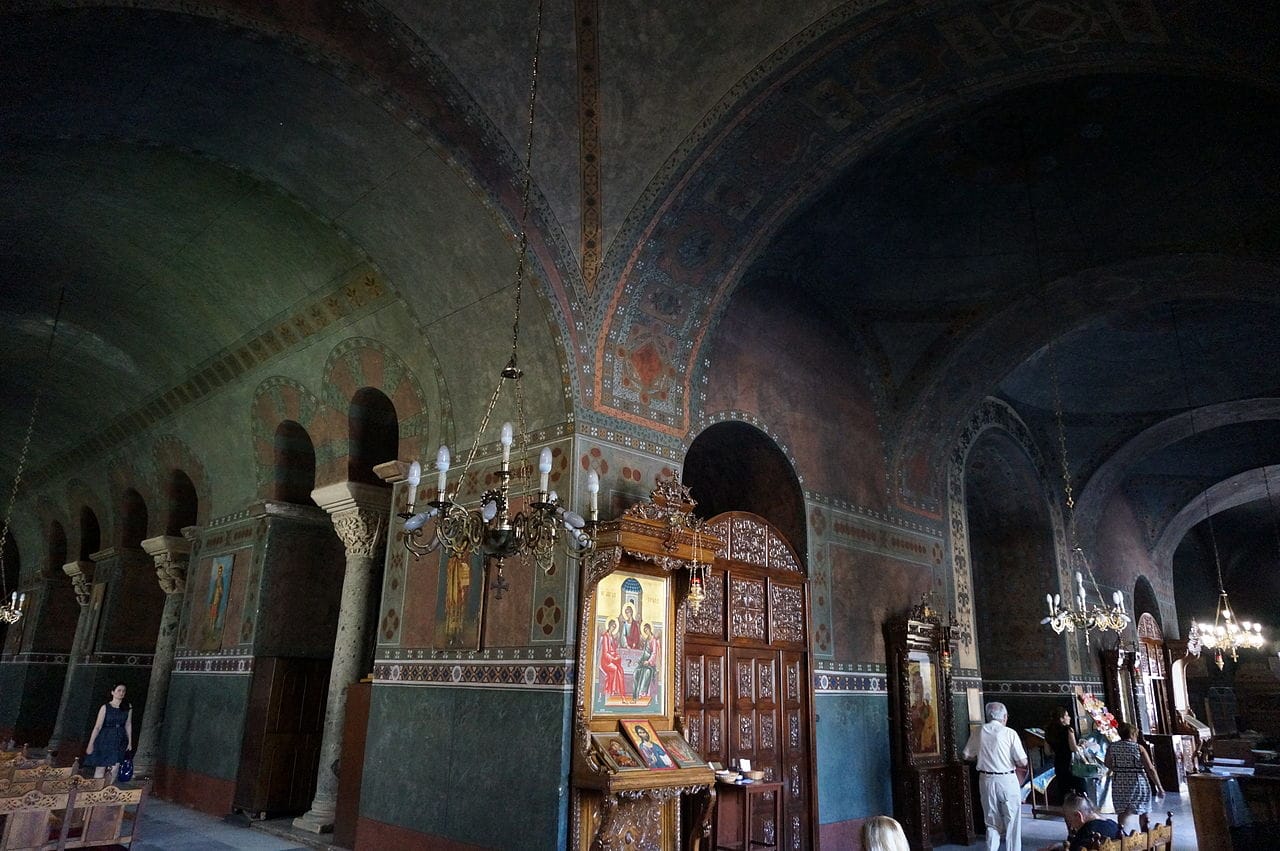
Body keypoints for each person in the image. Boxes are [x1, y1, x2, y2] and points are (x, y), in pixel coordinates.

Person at [962, 701, 1028, 851]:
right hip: (1007, 779)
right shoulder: (1010, 733)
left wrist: (983, 758)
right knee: (1012, 820)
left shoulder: (978, 731)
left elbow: (966, 755)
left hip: (986, 780)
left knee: (991, 822)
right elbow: (1022, 761)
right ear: (1004, 717)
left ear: (988, 715)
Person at [1104, 721, 1164, 832]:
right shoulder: (1138, 748)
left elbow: (1107, 763)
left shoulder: (1112, 747)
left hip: (1119, 782)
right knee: (1144, 811)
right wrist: (1159, 787)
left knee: (1123, 811)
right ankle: (1145, 835)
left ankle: (1121, 834)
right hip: (1137, 781)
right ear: (1132, 734)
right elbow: (1150, 769)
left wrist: (1119, 769)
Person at [84, 683, 132, 780]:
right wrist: (90, 744)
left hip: (120, 738)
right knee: (101, 766)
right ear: (113, 692)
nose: (121, 693)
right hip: (106, 737)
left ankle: (108, 788)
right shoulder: (105, 707)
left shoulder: (128, 707)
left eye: (123, 691)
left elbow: (128, 724)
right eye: (119, 690)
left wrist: (130, 741)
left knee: (115, 767)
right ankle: (97, 787)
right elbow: (97, 726)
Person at [1046, 706, 1087, 804]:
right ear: (1061, 719)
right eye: (1067, 716)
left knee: (1064, 789)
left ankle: (1066, 808)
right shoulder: (1068, 730)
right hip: (1070, 763)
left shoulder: (1048, 732)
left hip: (1059, 763)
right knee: (1080, 787)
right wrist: (1082, 746)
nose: (1069, 718)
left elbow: (1047, 751)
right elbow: (1073, 748)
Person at [631, 623, 659, 703]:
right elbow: (644, 653)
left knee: (646, 672)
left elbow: (654, 653)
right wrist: (639, 661)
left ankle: (641, 692)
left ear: (650, 629)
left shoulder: (653, 640)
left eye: (646, 629)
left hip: (650, 665)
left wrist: (649, 661)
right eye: (644, 630)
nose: (646, 631)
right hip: (643, 662)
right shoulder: (647, 640)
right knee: (636, 673)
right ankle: (635, 695)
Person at [598, 618, 625, 698]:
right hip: (606, 661)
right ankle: (612, 690)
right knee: (615, 668)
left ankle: (617, 690)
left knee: (620, 670)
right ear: (609, 626)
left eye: (615, 627)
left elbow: (613, 649)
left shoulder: (611, 636)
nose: (613, 628)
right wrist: (613, 659)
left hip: (612, 659)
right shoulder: (605, 636)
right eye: (613, 626)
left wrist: (616, 655)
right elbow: (605, 652)